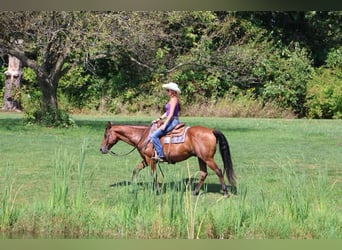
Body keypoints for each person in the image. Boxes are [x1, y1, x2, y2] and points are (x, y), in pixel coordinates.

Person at [150, 82, 181, 162]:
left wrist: (165, 124)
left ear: (173, 91)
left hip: (173, 121)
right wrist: (159, 119)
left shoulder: (174, 99)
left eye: (168, 90)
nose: (167, 91)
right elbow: (167, 113)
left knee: (154, 136)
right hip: (171, 120)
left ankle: (161, 155)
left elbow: (170, 114)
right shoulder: (172, 99)